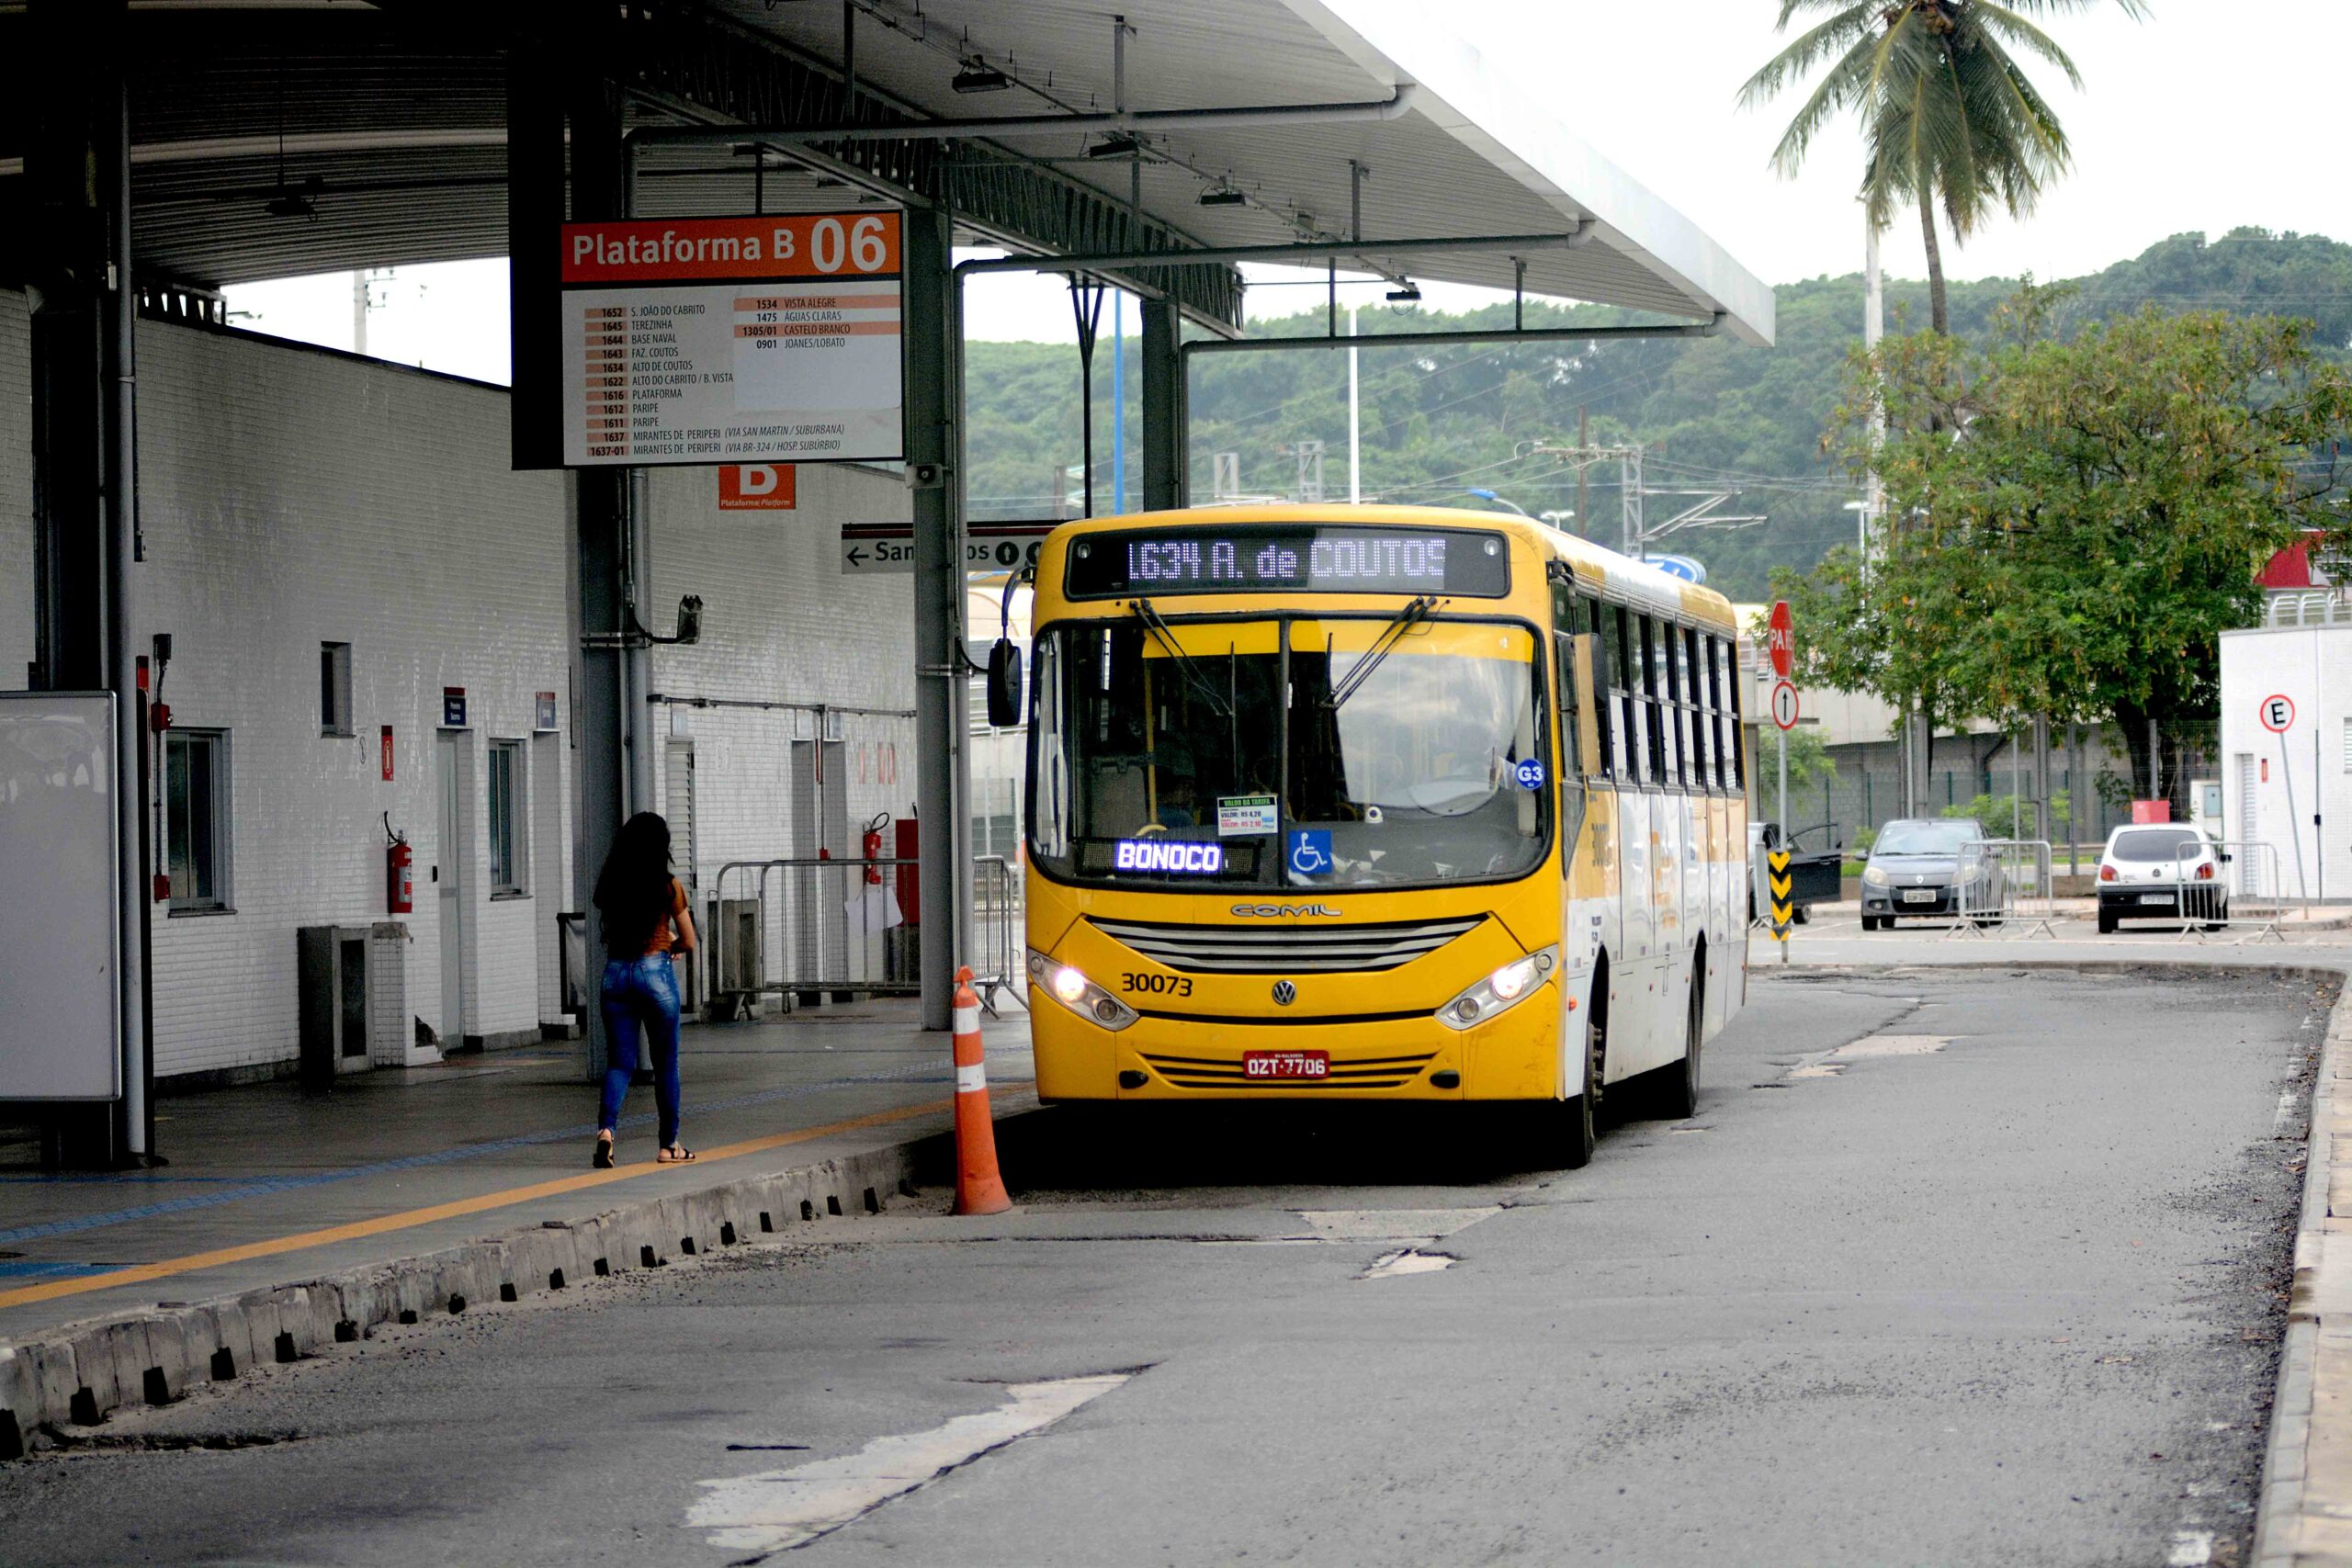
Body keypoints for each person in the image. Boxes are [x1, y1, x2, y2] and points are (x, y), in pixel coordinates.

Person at [591, 812, 697, 1168]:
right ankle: (669, 1145)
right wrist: (669, 945)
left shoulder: (610, 885)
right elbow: (689, 940)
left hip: (616, 976)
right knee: (666, 1065)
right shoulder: (668, 886)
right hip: (655, 976)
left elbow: (624, 918)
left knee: (620, 1063)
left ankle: (606, 1132)